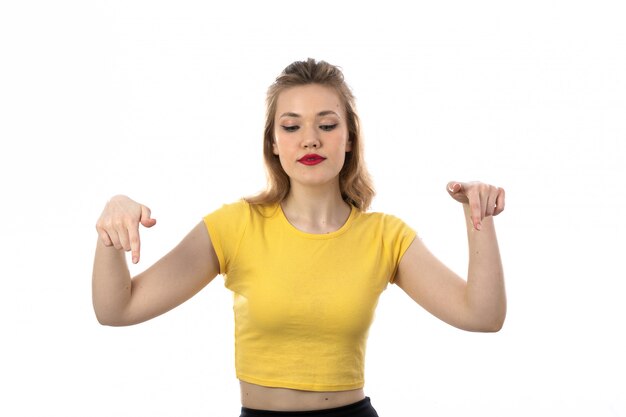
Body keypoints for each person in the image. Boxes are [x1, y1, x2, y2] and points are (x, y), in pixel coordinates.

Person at [92, 58, 506, 417]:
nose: (310, 138)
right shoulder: (236, 226)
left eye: (327, 125)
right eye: (291, 126)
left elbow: (482, 316)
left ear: (349, 139)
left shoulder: (385, 236)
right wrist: (112, 227)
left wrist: (479, 215)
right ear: (273, 142)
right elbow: (118, 309)